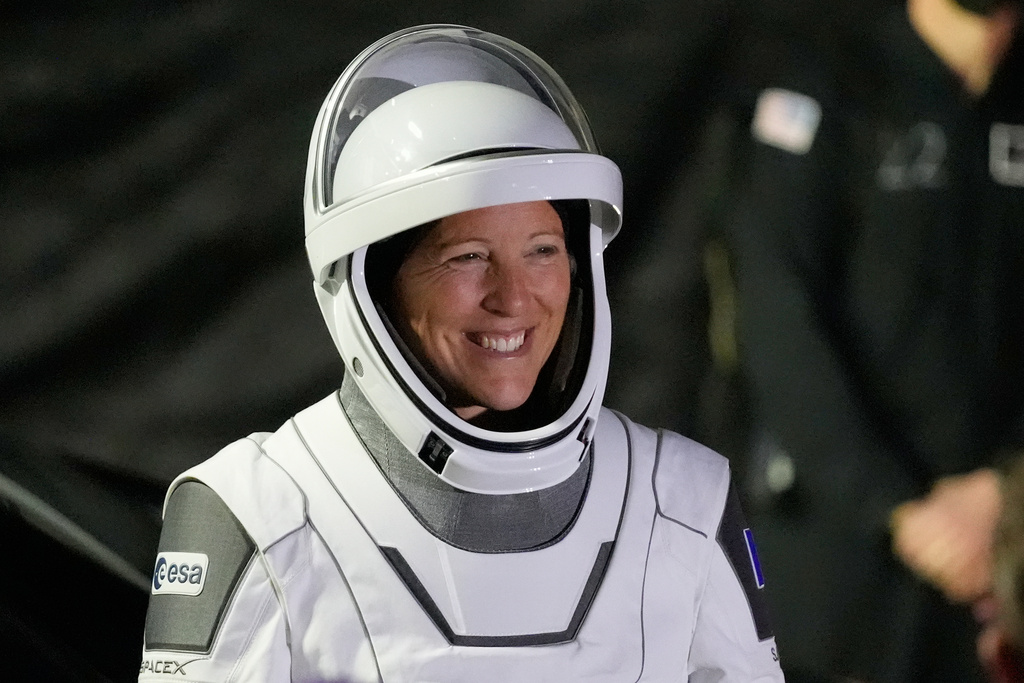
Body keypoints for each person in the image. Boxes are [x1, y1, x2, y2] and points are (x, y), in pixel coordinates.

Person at [135, 25, 784, 682]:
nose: (513, 297)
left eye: (542, 250)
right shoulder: (256, 512)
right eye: (468, 257)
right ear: (371, 285)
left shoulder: (683, 502)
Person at [713, 0, 1024, 680]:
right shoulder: (827, 80)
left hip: (1003, 556)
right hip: (843, 559)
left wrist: (1006, 488)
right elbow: (776, 315)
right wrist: (901, 509)